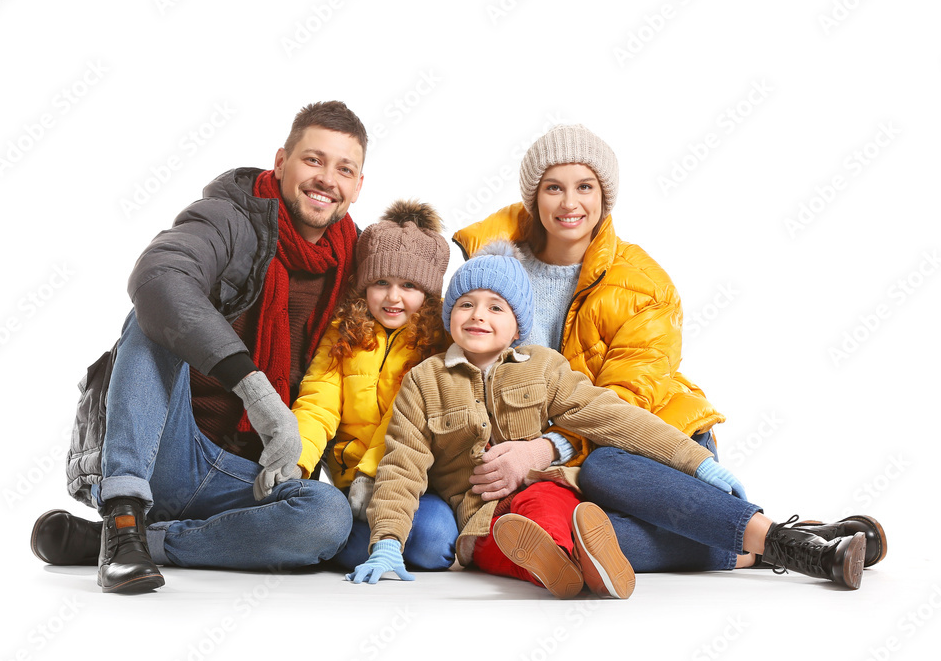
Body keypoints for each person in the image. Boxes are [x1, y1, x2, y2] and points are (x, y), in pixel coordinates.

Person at [450, 124, 886, 582]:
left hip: (646, 442)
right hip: (555, 468)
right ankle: (773, 547)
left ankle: (780, 541)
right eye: (553, 188)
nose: (569, 203)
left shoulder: (642, 282)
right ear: (533, 196)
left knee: (602, 470)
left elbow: (626, 401)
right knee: (547, 535)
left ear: (605, 197)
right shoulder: (489, 271)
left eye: (585, 187)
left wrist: (544, 447)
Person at [346, 243, 869, 598]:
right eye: (465, 304)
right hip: (478, 514)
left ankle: (575, 558)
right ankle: (570, 564)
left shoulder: (546, 369)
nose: (478, 315)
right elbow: (403, 464)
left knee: (555, 507)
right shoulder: (423, 380)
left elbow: (613, 416)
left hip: (547, 490)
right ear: (448, 317)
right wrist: (387, 540)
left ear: (518, 326)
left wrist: (696, 463)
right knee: (498, 540)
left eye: (495, 307)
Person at [30, 101, 369, 593]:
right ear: (280, 162)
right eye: (313, 160)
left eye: (345, 168)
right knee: (155, 312)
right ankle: (124, 515)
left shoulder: (354, 261)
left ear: (358, 186)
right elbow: (158, 274)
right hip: (168, 448)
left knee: (325, 518)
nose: (326, 179)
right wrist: (255, 392)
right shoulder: (229, 217)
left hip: (253, 478)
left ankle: (133, 541)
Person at [290, 199, 458, 571]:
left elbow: (409, 420)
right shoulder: (344, 332)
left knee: (435, 546)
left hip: (412, 484)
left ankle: (388, 540)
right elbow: (319, 401)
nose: (393, 296)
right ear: (365, 284)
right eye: (381, 282)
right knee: (335, 544)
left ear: (428, 292)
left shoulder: (437, 343)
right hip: (350, 487)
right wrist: (296, 460)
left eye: (409, 285)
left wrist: (373, 473)